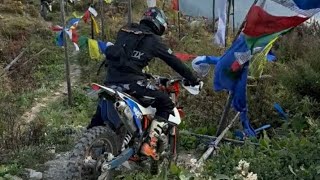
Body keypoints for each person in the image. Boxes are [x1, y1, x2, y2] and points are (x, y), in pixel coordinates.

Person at [88, 7, 200, 159]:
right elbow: (175, 62)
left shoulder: (125, 31)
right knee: (165, 103)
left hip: (110, 81)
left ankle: (85, 146)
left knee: (100, 113)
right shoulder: (153, 40)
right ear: (159, 23)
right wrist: (194, 79)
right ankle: (149, 143)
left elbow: (126, 59)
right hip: (131, 84)